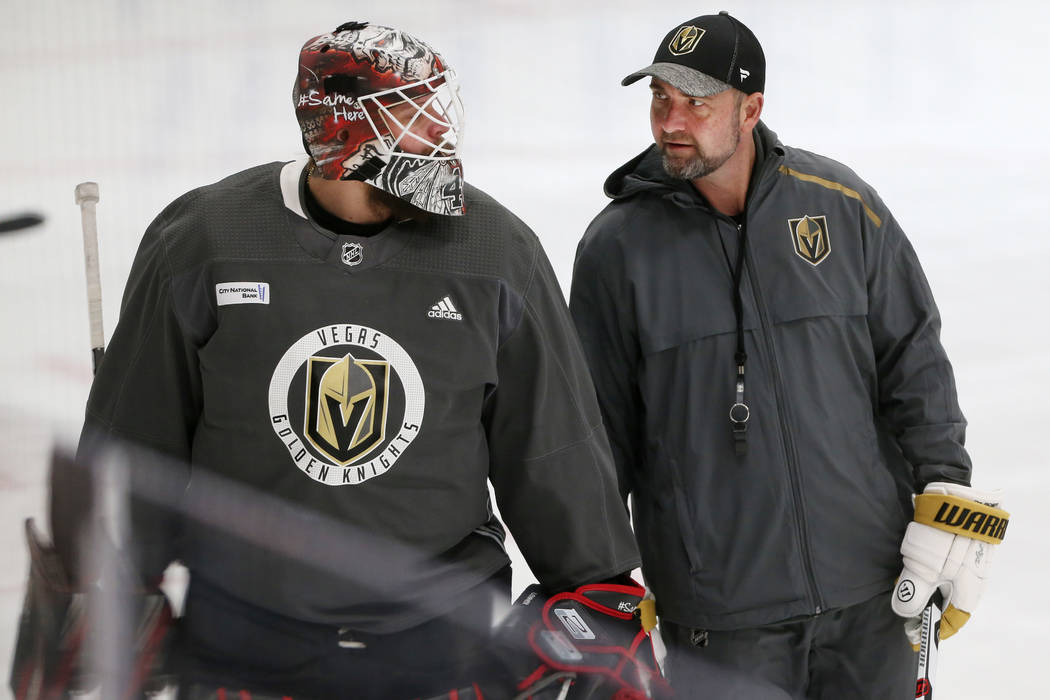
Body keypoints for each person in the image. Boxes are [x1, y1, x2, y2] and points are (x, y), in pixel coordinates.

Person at [62, 20, 642, 699]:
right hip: (245, 640)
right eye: (411, 113)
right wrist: (111, 582)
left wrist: (601, 590)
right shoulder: (205, 242)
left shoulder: (496, 252)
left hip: (443, 641)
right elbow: (138, 434)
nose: (438, 135)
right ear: (338, 128)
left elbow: (552, 445)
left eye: (436, 110)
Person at [569, 11, 1006, 699]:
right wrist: (598, 577)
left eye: (696, 103)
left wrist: (943, 489)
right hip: (720, 612)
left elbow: (913, 358)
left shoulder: (840, 206)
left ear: (751, 109)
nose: (669, 122)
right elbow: (598, 433)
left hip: (869, 592)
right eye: (660, 98)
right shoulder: (618, 248)